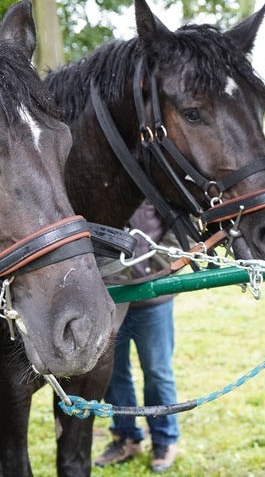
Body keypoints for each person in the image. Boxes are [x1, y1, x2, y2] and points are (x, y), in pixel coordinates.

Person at [94, 200, 180, 473]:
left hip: (152, 296)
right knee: (112, 374)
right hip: (108, 297)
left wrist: (156, 265)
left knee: (157, 372)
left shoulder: (153, 175)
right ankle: (126, 438)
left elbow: (180, 226)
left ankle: (164, 440)